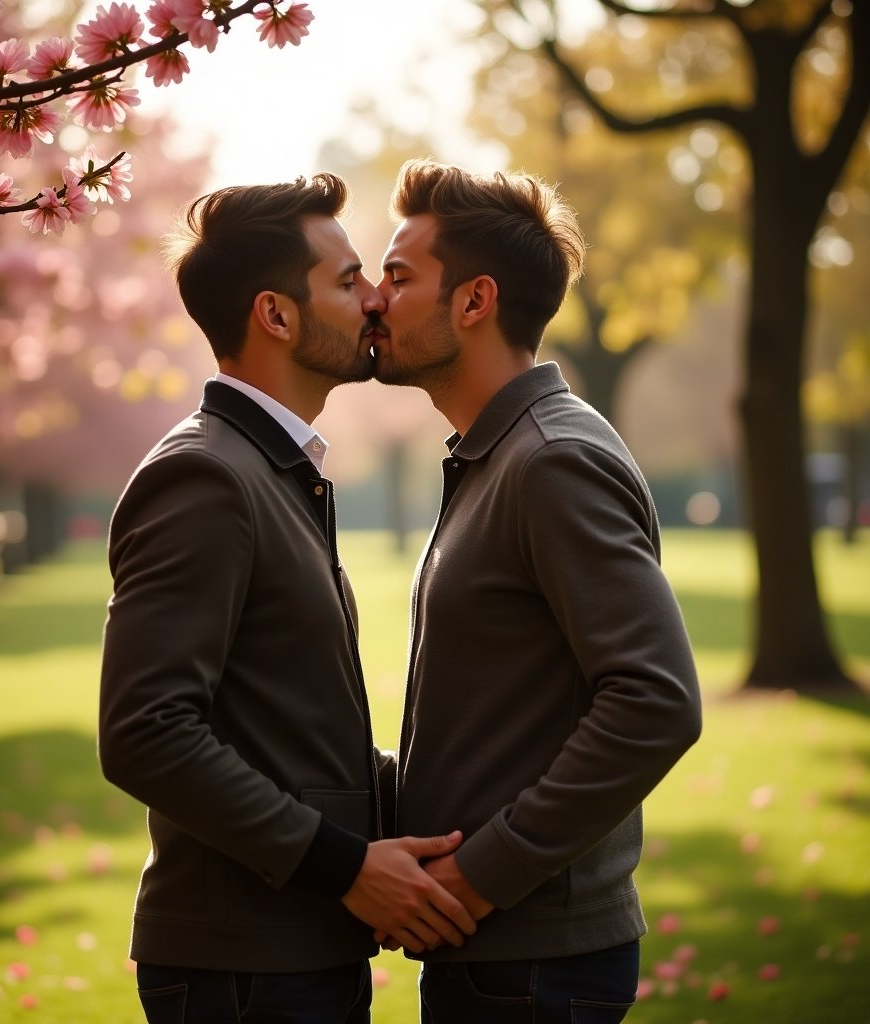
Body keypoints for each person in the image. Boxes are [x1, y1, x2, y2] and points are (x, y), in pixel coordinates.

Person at [98, 173, 476, 1024]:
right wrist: (344, 866)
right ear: (275, 315)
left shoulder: (272, 471)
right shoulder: (204, 477)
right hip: (245, 969)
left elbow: (286, 728)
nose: (376, 298)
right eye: (347, 282)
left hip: (291, 952)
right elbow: (143, 734)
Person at [369, 158, 703, 1022]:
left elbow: (656, 700)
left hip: (534, 965)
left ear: (474, 301)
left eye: (400, 277)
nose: (375, 299)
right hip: (501, 953)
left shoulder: (550, 460)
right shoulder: (500, 452)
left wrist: (484, 874)